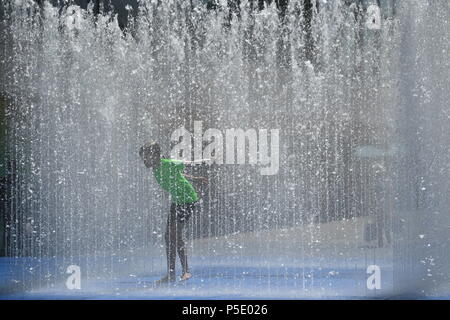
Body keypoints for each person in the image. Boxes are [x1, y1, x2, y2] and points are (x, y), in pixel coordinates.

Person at [139, 141, 208, 284]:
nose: (144, 161)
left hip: (188, 200)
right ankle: (171, 274)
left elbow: (187, 163)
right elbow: (179, 173)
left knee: (175, 235)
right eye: (143, 158)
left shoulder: (166, 163)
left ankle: (186, 271)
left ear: (155, 155)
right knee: (168, 237)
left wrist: (202, 161)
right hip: (177, 202)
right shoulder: (156, 168)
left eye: (146, 157)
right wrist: (196, 179)